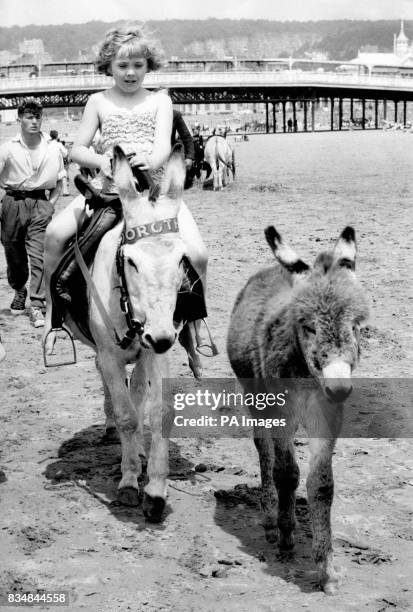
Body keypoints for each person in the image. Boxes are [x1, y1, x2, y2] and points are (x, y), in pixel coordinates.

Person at [43, 23, 211, 354]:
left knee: (199, 253)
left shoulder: (161, 102)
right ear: (109, 67)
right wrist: (102, 161)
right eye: (122, 66)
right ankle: (54, 318)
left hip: (155, 196)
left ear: (149, 65)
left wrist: (150, 158)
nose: (130, 73)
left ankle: (196, 322)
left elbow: (164, 145)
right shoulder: (97, 102)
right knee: (54, 234)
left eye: (138, 65)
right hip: (107, 191)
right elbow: (77, 149)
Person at [0, 99, 64, 328]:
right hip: (12, 202)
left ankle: (37, 304)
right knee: (13, 253)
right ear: (19, 119)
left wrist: (51, 205)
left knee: (38, 255)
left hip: (40, 202)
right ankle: (19, 289)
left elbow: (60, 181)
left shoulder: (53, 147)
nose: (34, 121)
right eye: (29, 117)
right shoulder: (8, 148)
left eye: (37, 117)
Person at [49, 130, 70, 195]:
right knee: (63, 175)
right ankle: (65, 191)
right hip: (58, 162)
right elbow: (65, 153)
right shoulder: (58, 144)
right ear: (57, 136)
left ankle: (52, 191)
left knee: (51, 177)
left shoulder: (48, 144)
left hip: (49, 163)